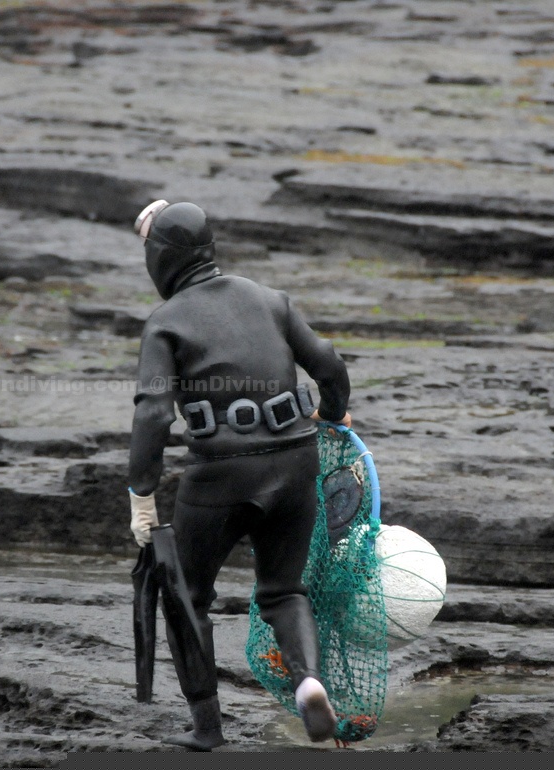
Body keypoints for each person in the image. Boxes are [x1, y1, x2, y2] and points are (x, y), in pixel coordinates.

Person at [126, 200, 352, 751]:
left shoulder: (166, 322)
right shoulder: (270, 299)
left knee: (186, 597)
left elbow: (153, 414)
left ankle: (208, 729)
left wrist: (141, 496)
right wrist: (333, 412)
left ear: (162, 258)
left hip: (219, 476)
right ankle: (308, 683)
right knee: (283, 591)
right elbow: (327, 362)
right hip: (295, 460)